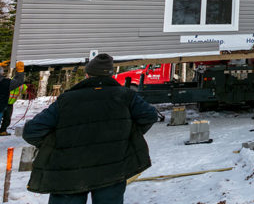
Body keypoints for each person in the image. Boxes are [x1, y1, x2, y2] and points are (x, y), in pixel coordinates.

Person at [23, 53, 158, 204]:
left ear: (87, 75)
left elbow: (31, 131)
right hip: (112, 167)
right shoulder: (125, 96)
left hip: (70, 171)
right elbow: (150, 116)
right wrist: (129, 135)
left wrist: (55, 144)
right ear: (111, 75)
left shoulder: (67, 100)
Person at [0, 62, 26, 135]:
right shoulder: (4, 82)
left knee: (7, 118)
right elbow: (18, 81)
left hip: (7, 104)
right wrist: (20, 71)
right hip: (3, 105)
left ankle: (2, 131)